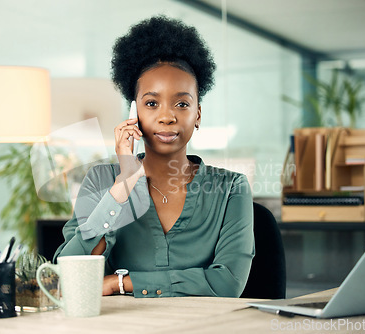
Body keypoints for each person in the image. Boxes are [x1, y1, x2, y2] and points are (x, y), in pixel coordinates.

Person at [54, 16, 254, 298]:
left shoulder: (231, 188)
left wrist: (120, 283)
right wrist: (122, 186)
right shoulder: (101, 180)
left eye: (182, 104)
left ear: (197, 114)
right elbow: (67, 272)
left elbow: (227, 283)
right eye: (151, 103)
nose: (167, 116)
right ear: (134, 114)